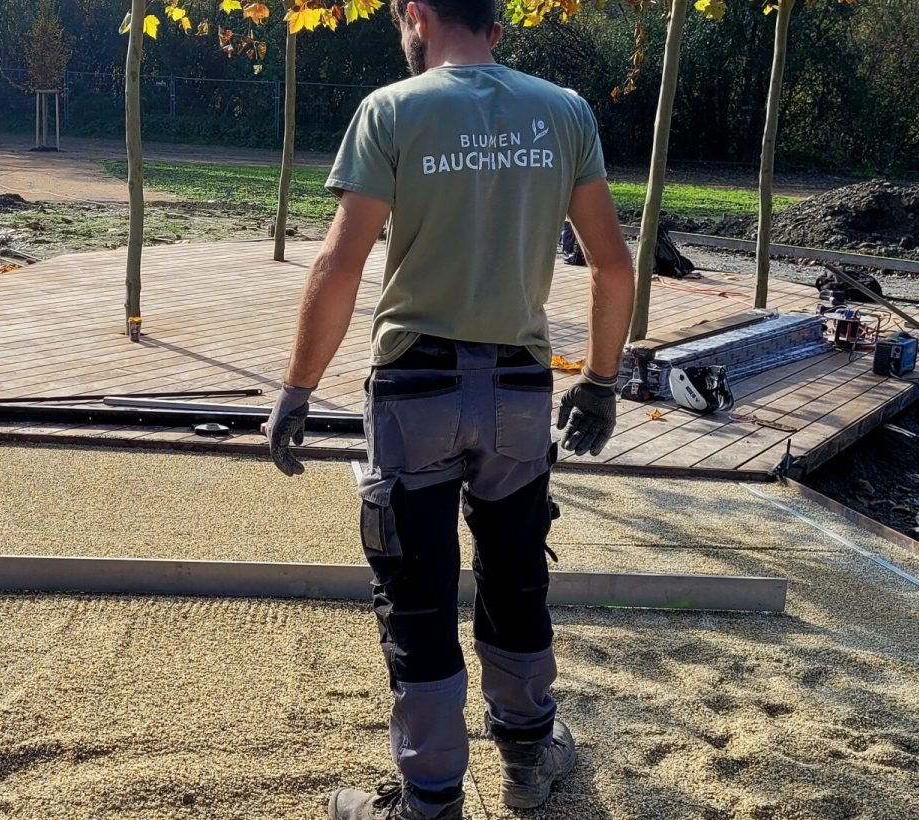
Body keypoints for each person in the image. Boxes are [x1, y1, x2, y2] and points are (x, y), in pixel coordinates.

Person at [258, 1, 637, 817]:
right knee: (516, 575)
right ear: (496, 30)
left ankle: (430, 801)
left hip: (415, 391)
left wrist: (296, 388)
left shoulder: (391, 110)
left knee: (418, 592)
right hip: (517, 392)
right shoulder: (565, 112)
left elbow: (339, 265)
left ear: (416, 16)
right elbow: (612, 265)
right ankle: (529, 760)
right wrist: (601, 381)